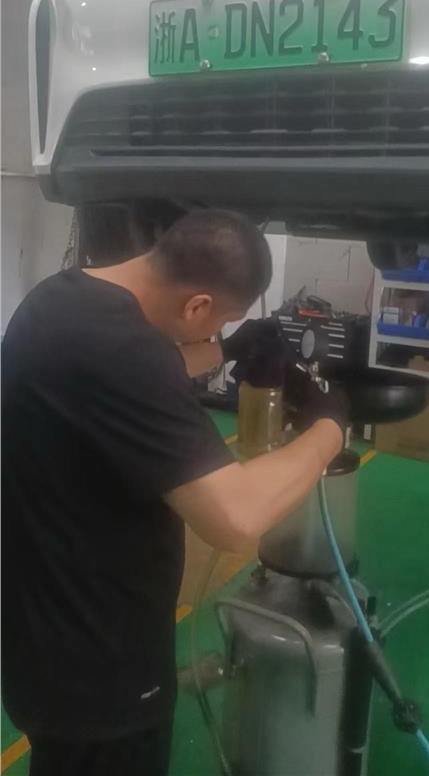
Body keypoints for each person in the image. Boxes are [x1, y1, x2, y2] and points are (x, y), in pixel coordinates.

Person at [1, 208, 349, 776]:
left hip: (44, 647)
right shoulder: (124, 351)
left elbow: (132, 374)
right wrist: (329, 428)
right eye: (219, 323)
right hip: (104, 674)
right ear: (197, 306)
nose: (214, 333)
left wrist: (228, 350)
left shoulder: (62, 301)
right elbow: (235, 516)